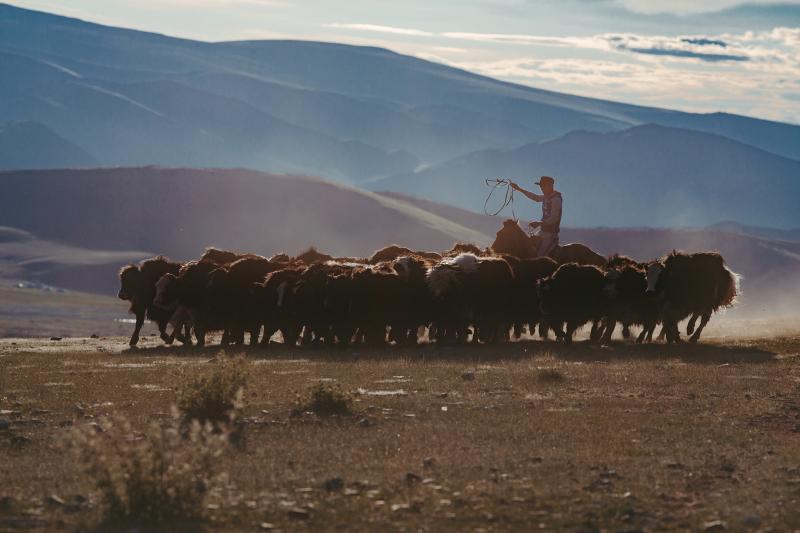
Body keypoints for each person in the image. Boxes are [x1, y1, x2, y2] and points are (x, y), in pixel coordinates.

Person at [509, 176, 562, 257]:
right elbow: (535, 197)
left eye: (543, 186)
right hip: (542, 232)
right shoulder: (546, 197)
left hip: (551, 234)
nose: (541, 188)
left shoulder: (556, 199)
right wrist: (518, 189)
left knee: (538, 257)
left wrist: (538, 223)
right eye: (541, 186)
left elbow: (553, 219)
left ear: (550, 186)